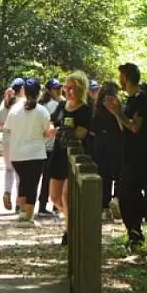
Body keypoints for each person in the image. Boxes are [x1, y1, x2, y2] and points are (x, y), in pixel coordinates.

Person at [103, 63, 147, 248]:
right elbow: (125, 126)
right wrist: (116, 112)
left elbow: (134, 126)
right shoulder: (131, 100)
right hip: (129, 154)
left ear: (127, 77)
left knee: (128, 193)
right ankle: (135, 231)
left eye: (121, 76)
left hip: (141, 156)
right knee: (125, 194)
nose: (119, 80)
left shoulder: (142, 99)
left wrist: (117, 111)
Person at [46, 71, 91, 245]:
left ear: (80, 89)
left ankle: (70, 230)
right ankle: (75, 221)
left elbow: (82, 132)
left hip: (75, 157)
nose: (69, 91)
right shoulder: (61, 105)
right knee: (55, 197)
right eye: (67, 87)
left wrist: (65, 131)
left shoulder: (86, 109)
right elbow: (51, 122)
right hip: (58, 155)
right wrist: (52, 129)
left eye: (72, 88)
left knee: (66, 196)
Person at [5, 78, 55, 222]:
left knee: (23, 183)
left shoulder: (14, 110)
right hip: (36, 154)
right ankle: (28, 217)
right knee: (32, 185)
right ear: (39, 92)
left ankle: (22, 213)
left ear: (24, 92)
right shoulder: (42, 111)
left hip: (17, 155)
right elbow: (49, 132)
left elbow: (8, 128)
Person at [91, 81, 123, 221]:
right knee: (118, 175)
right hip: (115, 145)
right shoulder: (116, 108)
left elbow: (92, 130)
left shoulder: (96, 109)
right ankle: (115, 200)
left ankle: (105, 208)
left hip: (100, 146)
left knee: (105, 178)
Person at [37, 78, 64, 217]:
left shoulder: (41, 105)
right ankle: (54, 205)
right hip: (52, 145)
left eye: (60, 88)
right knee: (54, 176)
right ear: (49, 90)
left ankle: (44, 205)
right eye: (56, 88)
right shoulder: (55, 105)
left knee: (46, 177)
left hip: (43, 145)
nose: (59, 90)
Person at [0, 77, 25, 212]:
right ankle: (19, 203)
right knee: (20, 171)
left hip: (6, 139)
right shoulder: (23, 103)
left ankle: (7, 192)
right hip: (18, 139)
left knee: (9, 169)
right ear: (22, 90)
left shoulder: (4, 103)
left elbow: (0, 124)